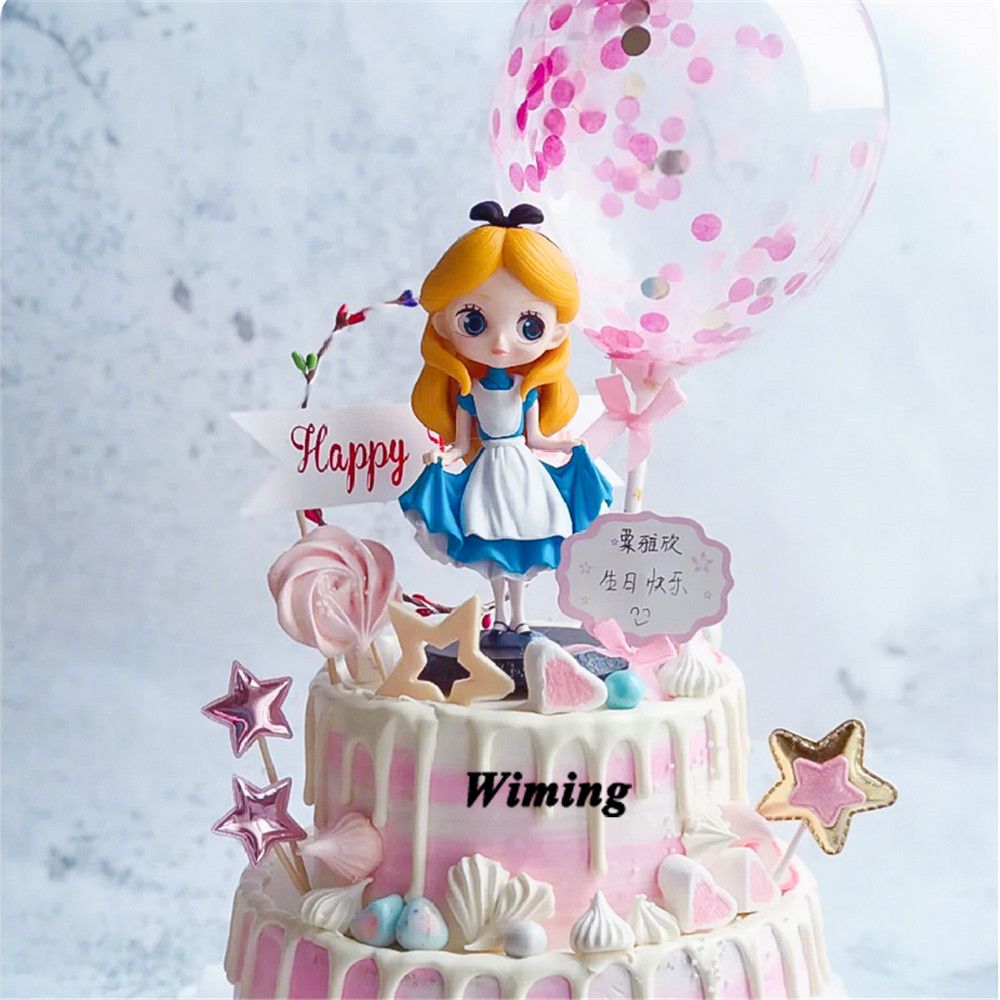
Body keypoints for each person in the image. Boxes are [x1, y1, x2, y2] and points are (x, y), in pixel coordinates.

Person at [399, 201, 612, 634]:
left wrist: (569, 447)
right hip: (489, 473)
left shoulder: (526, 391)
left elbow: (536, 439)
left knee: (523, 541)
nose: (500, 342)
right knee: (492, 543)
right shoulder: (469, 393)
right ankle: (500, 614)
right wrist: (443, 459)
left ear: (555, 333)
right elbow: (462, 444)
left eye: (529, 326)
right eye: (474, 321)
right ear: (443, 324)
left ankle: (519, 615)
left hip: (521, 469)